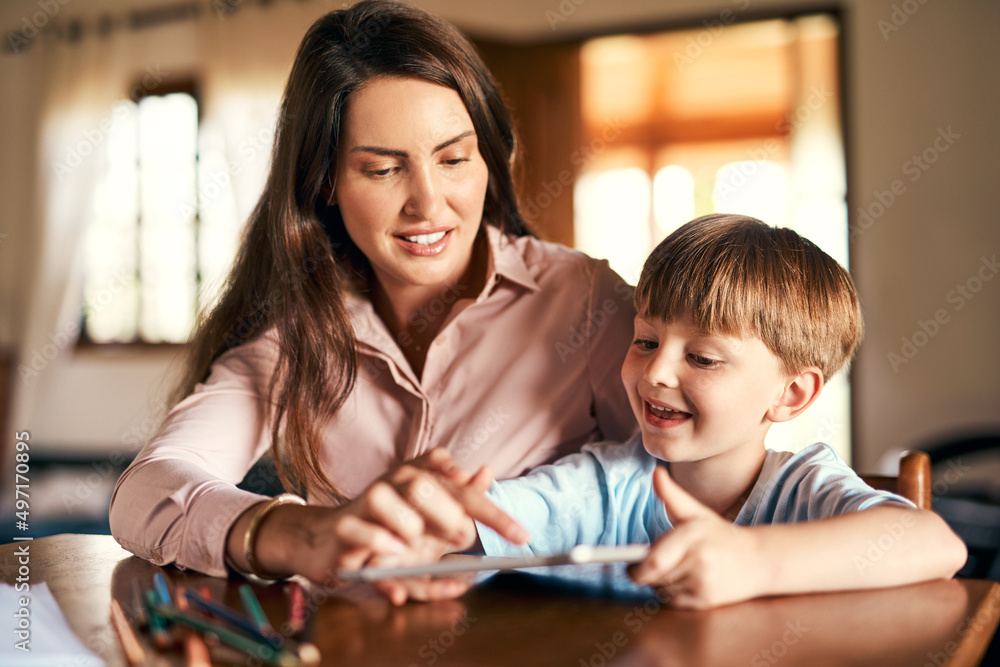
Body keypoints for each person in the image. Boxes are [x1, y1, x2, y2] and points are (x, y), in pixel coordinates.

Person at [108, 0, 636, 594]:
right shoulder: (295, 333)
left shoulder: (584, 302)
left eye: (454, 159)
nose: (429, 204)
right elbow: (146, 491)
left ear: (487, 156)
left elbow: (679, 483)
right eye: (384, 170)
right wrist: (307, 534)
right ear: (325, 182)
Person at [393, 214, 968, 609]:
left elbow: (937, 544)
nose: (655, 373)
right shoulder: (608, 482)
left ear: (790, 395)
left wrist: (753, 562)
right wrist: (443, 519)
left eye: (702, 356)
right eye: (645, 341)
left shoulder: (806, 490)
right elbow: (496, 518)